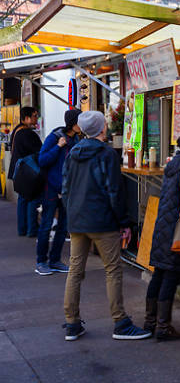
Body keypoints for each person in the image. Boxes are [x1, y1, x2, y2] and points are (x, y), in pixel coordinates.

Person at [61, 111, 150, 341]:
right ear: (102, 128)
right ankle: (120, 322)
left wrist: (71, 215)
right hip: (102, 220)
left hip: (77, 220)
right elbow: (114, 190)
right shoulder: (107, 154)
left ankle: (72, 323)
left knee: (75, 270)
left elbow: (66, 188)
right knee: (112, 269)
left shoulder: (73, 153)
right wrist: (124, 222)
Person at [144, 130, 180, 341]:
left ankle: (150, 321)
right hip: (177, 229)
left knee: (159, 273)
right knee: (170, 275)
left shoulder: (173, 165)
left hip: (164, 226)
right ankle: (163, 326)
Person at [35, 109, 81, 276]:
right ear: (72, 123)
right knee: (46, 225)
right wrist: (58, 147)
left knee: (63, 226)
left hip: (67, 189)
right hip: (51, 188)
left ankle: (55, 261)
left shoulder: (76, 138)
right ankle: (41, 261)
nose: (81, 125)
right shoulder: (55, 137)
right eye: (79, 121)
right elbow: (42, 160)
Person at [8, 107, 42, 237]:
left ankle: (22, 228)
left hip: (18, 171)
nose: (36, 118)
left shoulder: (17, 130)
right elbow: (39, 151)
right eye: (34, 116)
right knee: (32, 198)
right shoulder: (28, 133)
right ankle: (31, 229)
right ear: (26, 118)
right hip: (28, 172)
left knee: (23, 199)